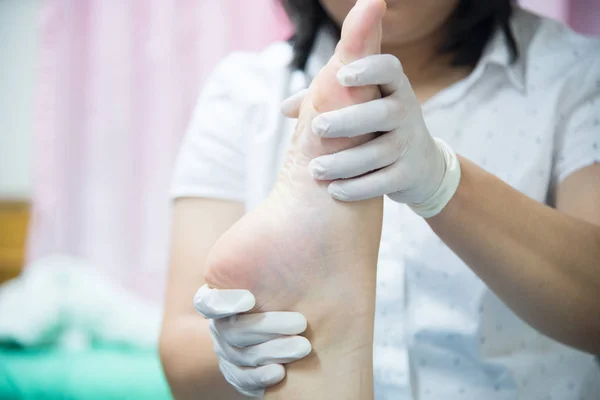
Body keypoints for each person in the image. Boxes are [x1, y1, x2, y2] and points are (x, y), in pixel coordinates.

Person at [159, 0, 600, 399]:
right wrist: (238, 347)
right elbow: (180, 358)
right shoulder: (244, 93)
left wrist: (444, 182)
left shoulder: (578, 76)